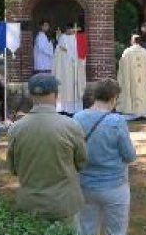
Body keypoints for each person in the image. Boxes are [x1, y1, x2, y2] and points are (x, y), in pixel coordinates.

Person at [7, 73, 87, 226]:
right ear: (56, 94)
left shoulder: (16, 129)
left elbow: (13, 168)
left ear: (30, 95)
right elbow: (81, 163)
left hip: (30, 204)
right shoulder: (70, 126)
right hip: (63, 203)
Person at [74, 79, 137, 235]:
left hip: (85, 183)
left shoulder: (77, 117)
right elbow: (129, 155)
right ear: (113, 97)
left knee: (86, 234)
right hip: (114, 185)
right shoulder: (117, 121)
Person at [117, 35, 146, 118]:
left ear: (133, 41)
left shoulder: (127, 52)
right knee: (143, 91)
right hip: (143, 80)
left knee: (132, 91)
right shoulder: (145, 52)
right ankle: (145, 112)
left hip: (131, 79)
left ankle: (131, 111)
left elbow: (122, 65)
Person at [53, 24, 86, 115]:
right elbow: (57, 58)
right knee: (66, 88)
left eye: (74, 29)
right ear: (67, 30)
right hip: (65, 71)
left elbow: (82, 57)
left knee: (72, 87)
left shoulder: (79, 40)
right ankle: (65, 108)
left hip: (74, 70)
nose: (73, 31)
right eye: (71, 29)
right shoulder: (62, 40)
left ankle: (73, 108)